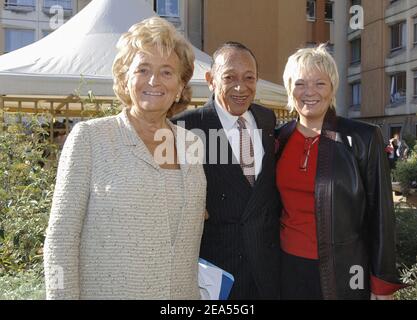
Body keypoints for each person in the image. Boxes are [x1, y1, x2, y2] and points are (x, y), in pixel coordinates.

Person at [43, 17, 206, 299]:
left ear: (180, 85)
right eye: (143, 69)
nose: (154, 81)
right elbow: (60, 240)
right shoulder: (90, 138)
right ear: (124, 77)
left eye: (167, 72)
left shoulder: (191, 143)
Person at [275, 44, 406, 300]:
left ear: (332, 88)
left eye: (320, 84)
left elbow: (381, 215)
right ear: (290, 89)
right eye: (300, 83)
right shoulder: (278, 139)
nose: (309, 92)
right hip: (286, 266)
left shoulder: (364, 138)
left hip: (345, 270)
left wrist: (381, 284)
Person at [172, 42, 281, 299]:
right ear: (210, 80)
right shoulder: (185, 127)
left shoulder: (267, 119)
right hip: (217, 275)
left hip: (268, 271)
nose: (240, 87)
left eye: (249, 77)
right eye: (229, 77)